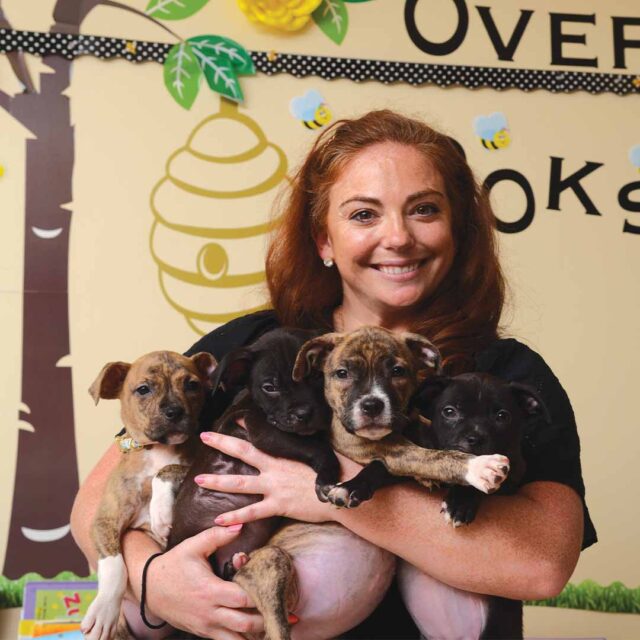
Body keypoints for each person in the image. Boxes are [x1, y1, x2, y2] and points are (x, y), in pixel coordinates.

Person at [71, 110, 596, 639]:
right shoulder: (254, 346)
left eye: (425, 210)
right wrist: (153, 577)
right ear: (324, 239)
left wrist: (331, 493)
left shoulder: (503, 374)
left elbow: (542, 564)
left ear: (457, 229)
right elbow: (95, 503)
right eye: (364, 215)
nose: (398, 237)